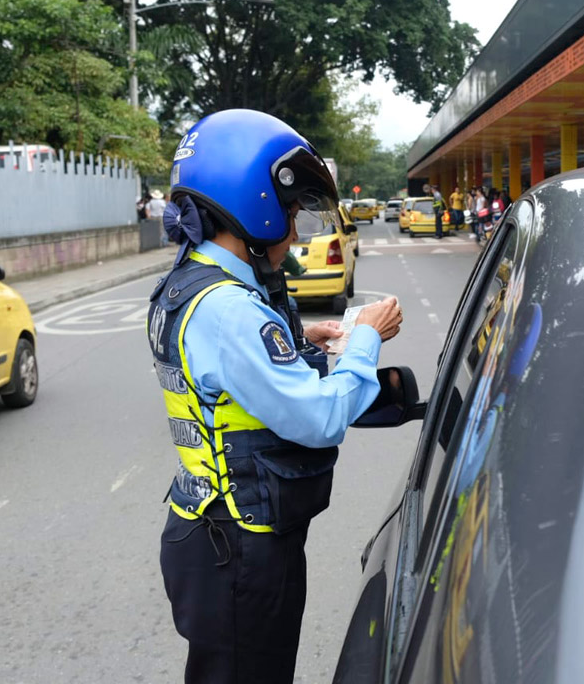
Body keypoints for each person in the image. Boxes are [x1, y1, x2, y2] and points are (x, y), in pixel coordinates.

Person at [147, 109, 404, 684]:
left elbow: (218, 378)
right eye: (289, 212)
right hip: (240, 547)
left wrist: (297, 338)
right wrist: (364, 339)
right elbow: (319, 418)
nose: (293, 231)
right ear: (251, 201)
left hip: (207, 530)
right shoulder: (231, 308)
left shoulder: (188, 285)